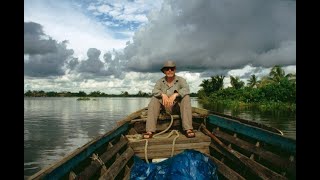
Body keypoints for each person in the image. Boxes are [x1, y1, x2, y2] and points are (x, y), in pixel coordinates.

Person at [143, 60, 195, 139]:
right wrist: (162, 94)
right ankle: (150, 130)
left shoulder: (181, 80)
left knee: (186, 97)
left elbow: (186, 89)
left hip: (177, 107)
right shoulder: (160, 81)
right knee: (154, 99)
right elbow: (154, 91)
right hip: (164, 108)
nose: (169, 70)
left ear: (175, 70)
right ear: (164, 71)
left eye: (172, 69)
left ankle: (188, 129)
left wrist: (176, 94)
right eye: (167, 69)